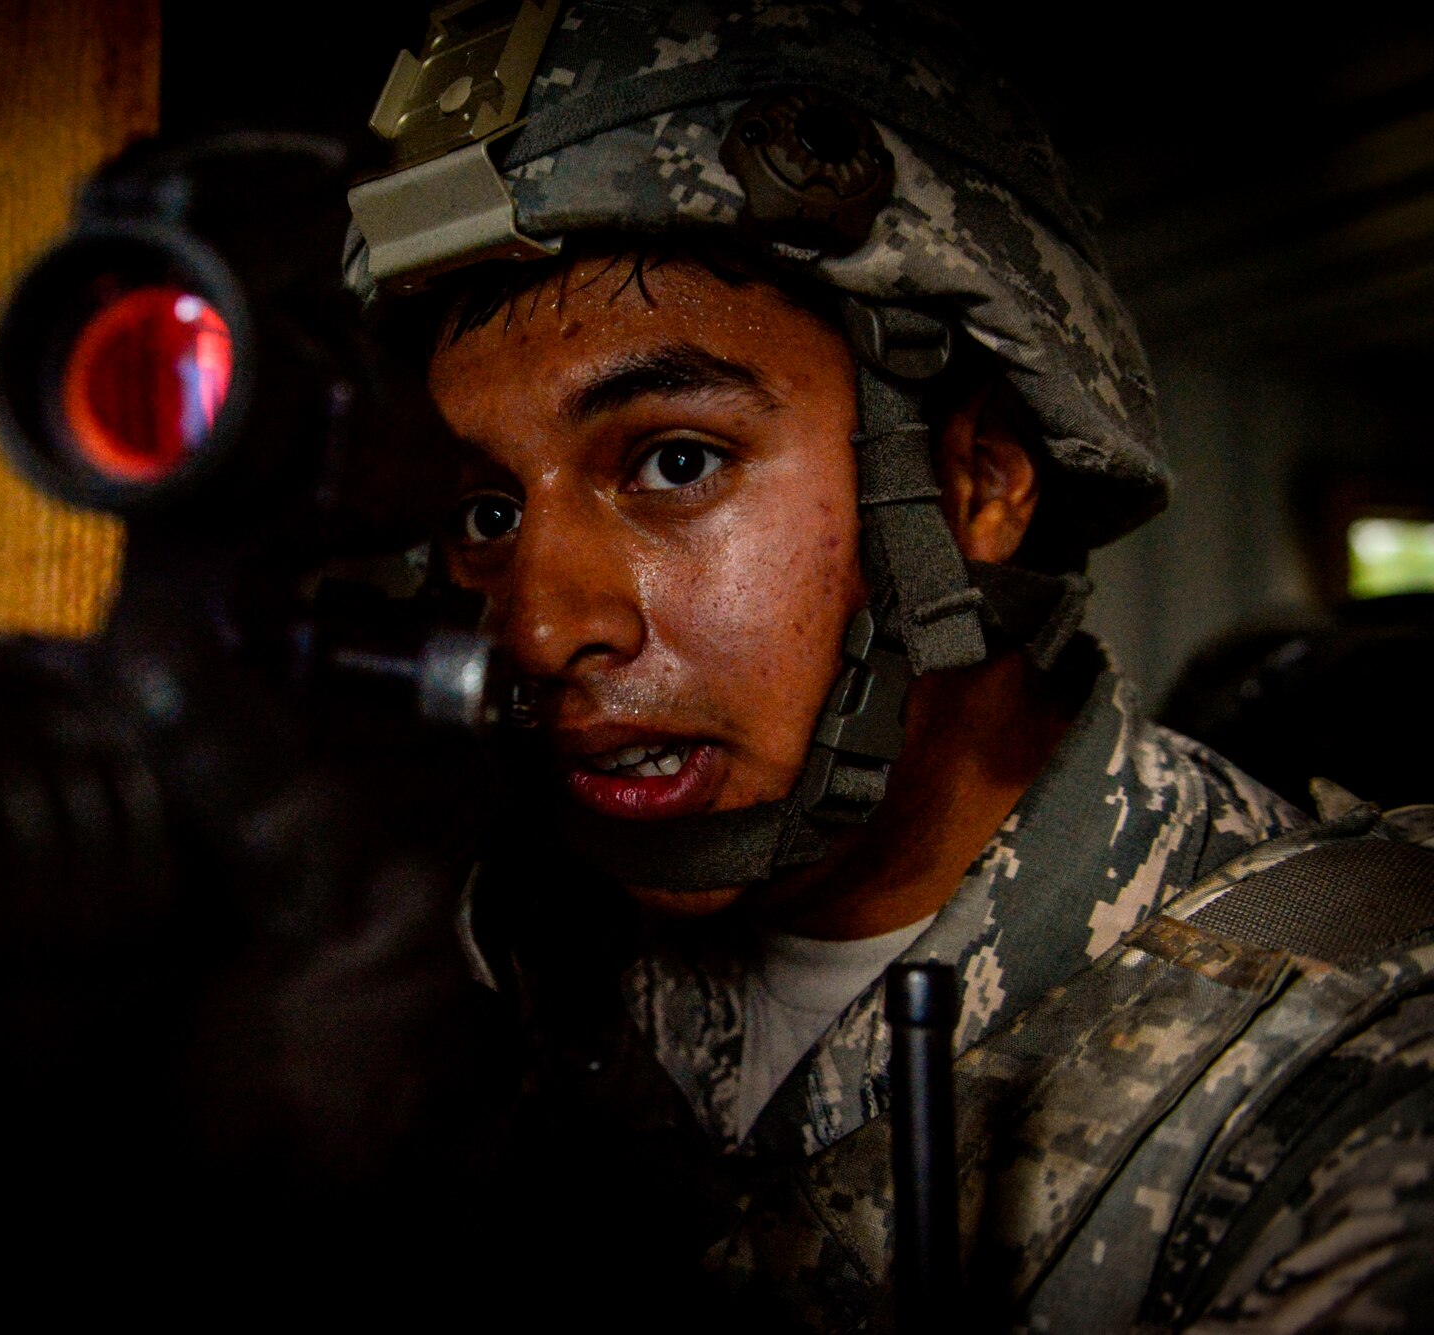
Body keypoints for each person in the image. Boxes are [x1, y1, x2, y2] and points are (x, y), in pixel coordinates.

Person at [342, 1, 1434, 1326]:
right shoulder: (474, 952)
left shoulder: (1351, 1071)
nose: (543, 627)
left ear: (977, 485)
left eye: (675, 461)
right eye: (486, 514)